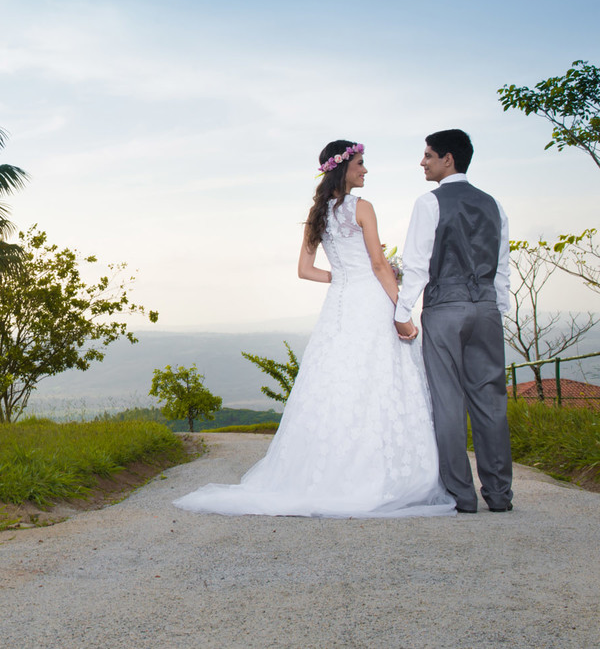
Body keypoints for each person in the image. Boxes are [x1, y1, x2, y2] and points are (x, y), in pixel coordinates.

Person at [174, 141, 455, 518]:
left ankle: (326, 471)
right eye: (360, 163)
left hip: (340, 304)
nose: (365, 170)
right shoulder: (362, 207)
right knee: (379, 378)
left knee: (337, 380)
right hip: (370, 302)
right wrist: (402, 310)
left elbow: (305, 270)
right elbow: (377, 265)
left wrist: (343, 276)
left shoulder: (317, 213)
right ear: (343, 167)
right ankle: (384, 472)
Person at [394, 130, 512, 514]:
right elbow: (502, 267)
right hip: (487, 309)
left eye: (428, 155)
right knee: (491, 400)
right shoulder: (494, 205)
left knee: (448, 400)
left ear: (448, 159)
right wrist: (497, 307)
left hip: (445, 308)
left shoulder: (429, 202)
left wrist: (401, 312)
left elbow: (416, 264)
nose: (423, 162)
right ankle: (500, 495)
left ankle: (462, 495)